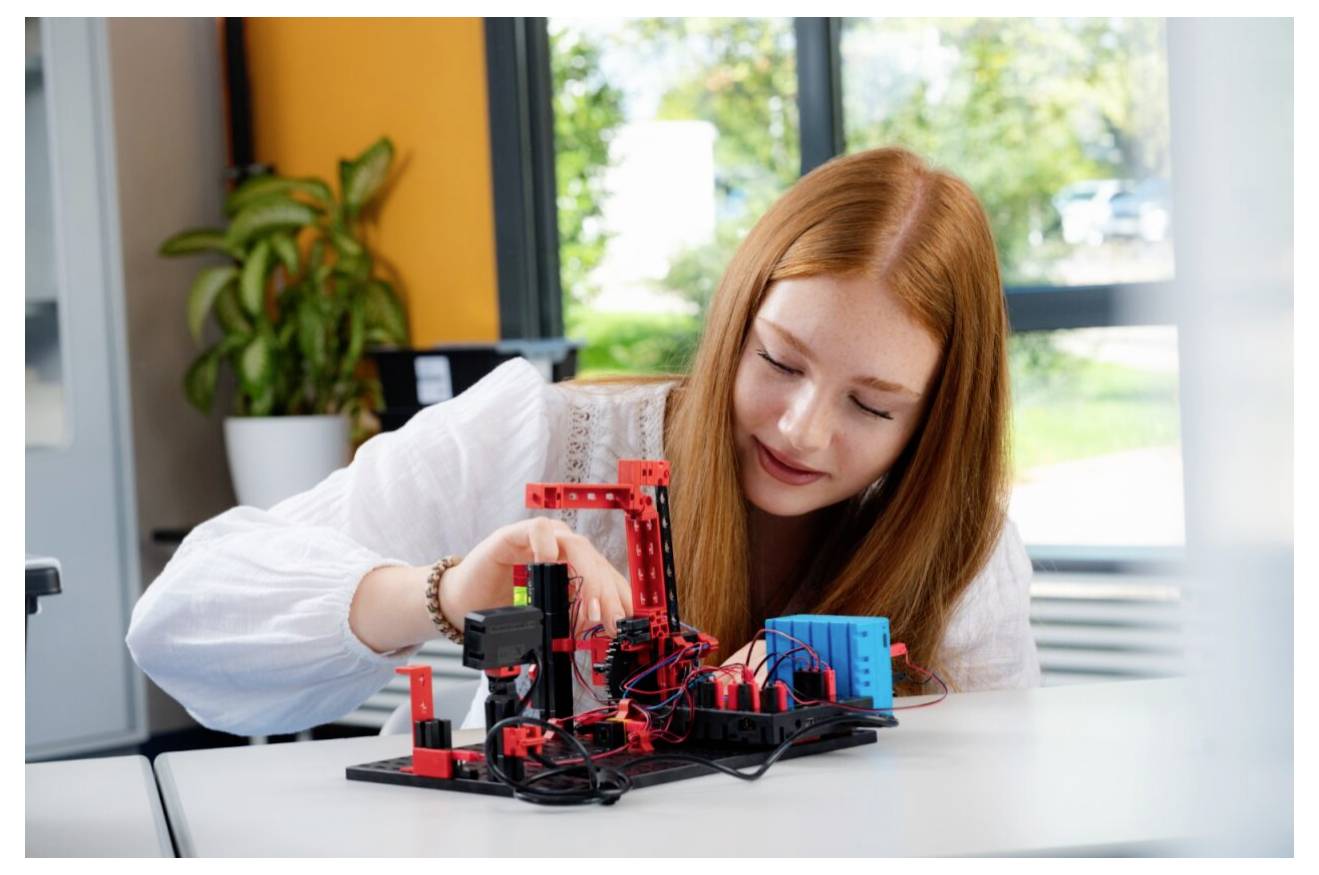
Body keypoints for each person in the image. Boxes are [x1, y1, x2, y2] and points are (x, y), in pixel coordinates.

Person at [126, 146, 1039, 738]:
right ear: (732, 322)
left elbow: (995, 789)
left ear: (934, 423)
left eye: (873, 407)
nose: (801, 428)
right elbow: (181, 622)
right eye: (777, 360)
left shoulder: (964, 548)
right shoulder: (543, 436)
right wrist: (443, 593)